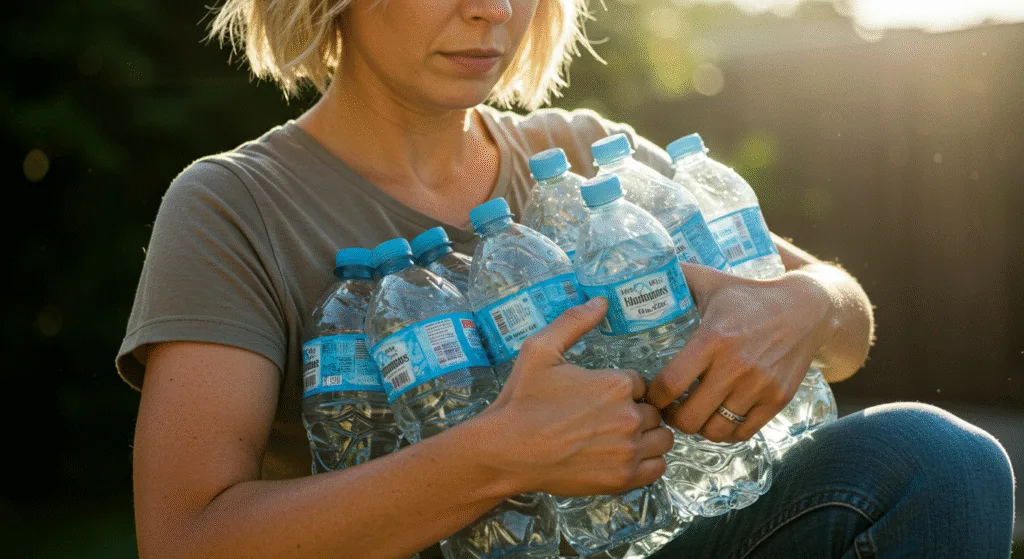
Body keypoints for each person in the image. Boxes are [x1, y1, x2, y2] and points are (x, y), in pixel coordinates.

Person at [116, 0, 1015, 557]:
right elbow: (188, 539)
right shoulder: (237, 204)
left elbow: (847, 329)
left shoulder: (581, 157)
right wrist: (494, 455)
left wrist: (804, 307)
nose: (491, 9)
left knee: (942, 460)